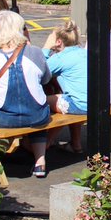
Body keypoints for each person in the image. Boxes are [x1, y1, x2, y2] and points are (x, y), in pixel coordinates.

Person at [0, 10, 52, 177]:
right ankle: (40, 162)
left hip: (2, 118)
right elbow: (46, 79)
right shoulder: (35, 52)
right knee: (38, 104)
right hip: (37, 116)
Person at [42, 19, 86, 153]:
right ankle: (76, 144)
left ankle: (45, 143)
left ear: (59, 41)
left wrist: (46, 48)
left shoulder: (60, 58)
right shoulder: (83, 52)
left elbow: (38, 71)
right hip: (96, 102)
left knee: (41, 100)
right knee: (68, 96)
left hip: (79, 104)